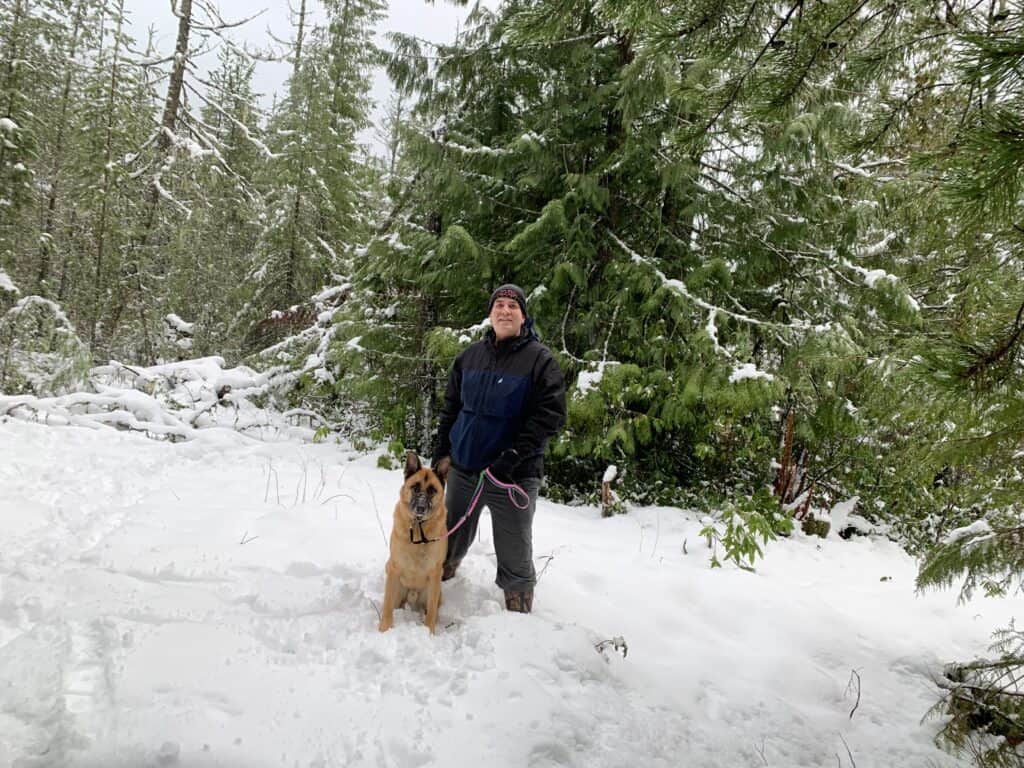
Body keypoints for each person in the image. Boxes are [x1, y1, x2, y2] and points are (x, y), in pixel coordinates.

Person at [431, 284, 566, 613]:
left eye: (513, 306)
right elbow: (451, 409)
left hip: (512, 477)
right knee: (449, 537)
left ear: (523, 316)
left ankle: (518, 616)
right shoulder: (470, 357)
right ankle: (438, 586)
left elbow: (550, 416)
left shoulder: (540, 360)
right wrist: (441, 452)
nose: (505, 311)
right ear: (491, 313)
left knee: (515, 553)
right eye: (499, 305)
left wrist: (514, 456)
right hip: (465, 469)